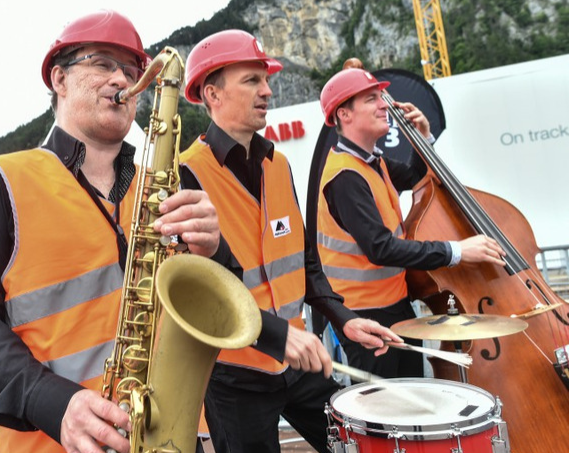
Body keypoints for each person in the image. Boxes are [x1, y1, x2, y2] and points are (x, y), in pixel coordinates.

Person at [0, 9, 227, 453]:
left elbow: (220, 299)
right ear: (60, 79)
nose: (121, 79)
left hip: (173, 436)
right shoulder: (0, 182)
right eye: (102, 63)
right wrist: (52, 402)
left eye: (131, 71)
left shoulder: (165, 186)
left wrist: (214, 251)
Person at [179, 29, 403, 453]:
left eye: (266, 80)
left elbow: (305, 261)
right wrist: (279, 334)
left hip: (298, 358)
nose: (267, 91)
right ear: (212, 94)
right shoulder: (185, 174)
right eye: (252, 80)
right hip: (236, 376)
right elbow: (203, 294)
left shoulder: (278, 164)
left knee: (356, 446)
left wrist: (342, 317)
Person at [315, 65, 507, 378]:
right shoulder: (344, 176)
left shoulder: (373, 162)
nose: (384, 105)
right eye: (371, 99)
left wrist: (422, 138)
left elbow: (415, 175)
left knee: (411, 396)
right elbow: (381, 248)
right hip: (366, 315)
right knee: (387, 405)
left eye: (380, 97)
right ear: (344, 114)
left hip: (396, 303)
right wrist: (457, 251)